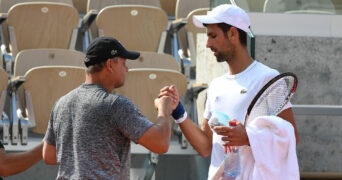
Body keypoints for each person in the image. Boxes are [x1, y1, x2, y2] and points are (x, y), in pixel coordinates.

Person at [160, 4, 300, 179]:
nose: (208, 44)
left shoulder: (268, 77)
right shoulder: (216, 85)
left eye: (213, 36)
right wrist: (179, 112)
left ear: (233, 34)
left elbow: (291, 136)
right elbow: (205, 146)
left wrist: (248, 137)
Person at [42, 37, 178, 179]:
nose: (127, 69)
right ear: (110, 64)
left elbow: (49, 155)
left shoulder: (61, 103)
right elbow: (161, 144)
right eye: (124, 63)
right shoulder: (115, 105)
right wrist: (164, 109)